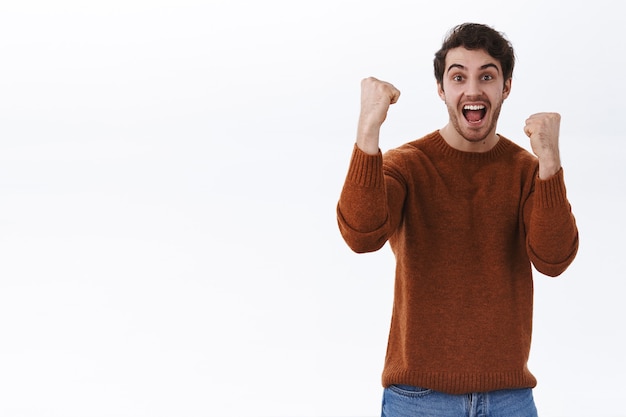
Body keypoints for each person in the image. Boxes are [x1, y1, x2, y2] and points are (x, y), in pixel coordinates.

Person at [336, 23, 579, 417]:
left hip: (509, 398)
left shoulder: (526, 171)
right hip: (417, 399)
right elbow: (361, 235)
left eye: (487, 75)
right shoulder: (407, 165)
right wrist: (368, 129)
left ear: (506, 88)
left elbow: (554, 259)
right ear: (441, 89)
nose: (472, 89)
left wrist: (549, 164)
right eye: (458, 76)